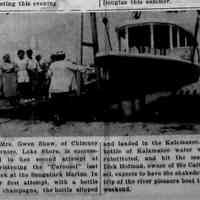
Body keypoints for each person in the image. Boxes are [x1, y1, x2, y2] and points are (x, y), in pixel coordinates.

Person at [47, 51, 87, 124]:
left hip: (54, 87)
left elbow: (48, 75)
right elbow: (77, 68)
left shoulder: (52, 64)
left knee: (56, 104)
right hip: (64, 87)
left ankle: (57, 117)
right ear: (64, 56)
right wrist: (85, 68)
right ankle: (61, 118)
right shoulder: (67, 63)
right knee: (63, 103)